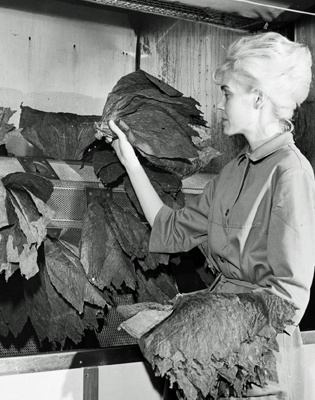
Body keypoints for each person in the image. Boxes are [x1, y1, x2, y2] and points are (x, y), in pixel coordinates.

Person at [107, 32, 315, 399]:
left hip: (258, 362)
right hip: (223, 351)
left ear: (258, 98)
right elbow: (171, 229)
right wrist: (132, 163)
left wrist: (219, 334)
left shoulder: (290, 173)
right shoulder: (233, 172)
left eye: (227, 93)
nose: (219, 105)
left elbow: (290, 297)